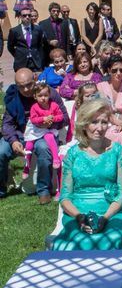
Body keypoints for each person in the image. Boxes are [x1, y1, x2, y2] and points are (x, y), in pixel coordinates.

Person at [52, 98, 122, 251]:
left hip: (111, 212)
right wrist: (79, 217)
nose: (100, 128)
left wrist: (106, 217)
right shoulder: (72, 155)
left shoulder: (117, 151)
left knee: (113, 239)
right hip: (77, 212)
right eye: (94, 122)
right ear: (84, 124)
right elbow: (65, 197)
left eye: (104, 122)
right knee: (78, 241)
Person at [0, 68, 69, 203]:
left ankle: (43, 189)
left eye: (28, 85)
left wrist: (50, 124)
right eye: (21, 86)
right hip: (21, 134)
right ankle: (1, 189)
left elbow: (65, 117)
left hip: (44, 134)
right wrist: (13, 141)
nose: (26, 89)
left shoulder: (47, 92)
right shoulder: (13, 97)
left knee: (44, 148)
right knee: (1, 151)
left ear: (35, 80)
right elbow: (6, 124)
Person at [97, 56, 122, 163]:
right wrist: (116, 123)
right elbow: (106, 110)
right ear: (109, 70)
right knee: (107, 134)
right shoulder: (100, 86)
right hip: (107, 121)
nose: (118, 73)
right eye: (114, 70)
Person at [21, 81, 65, 178]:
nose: (43, 98)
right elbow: (33, 119)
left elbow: (61, 116)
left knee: (49, 137)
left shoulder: (53, 105)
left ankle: (56, 158)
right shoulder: (34, 107)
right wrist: (43, 119)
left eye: (45, 95)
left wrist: (53, 118)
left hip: (49, 128)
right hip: (35, 128)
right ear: (35, 96)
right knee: (28, 145)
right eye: (40, 96)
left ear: (49, 95)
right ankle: (27, 166)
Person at [7, 8, 46, 73]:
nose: (27, 17)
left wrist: (39, 58)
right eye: (24, 15)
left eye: (29, 15)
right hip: (21, 62)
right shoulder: (14, 31)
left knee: (37, 81)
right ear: (20, 17)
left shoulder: (38, 29)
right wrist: (18, 55)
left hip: (35, 62)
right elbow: (10, 47)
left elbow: (40, 45)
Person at [39, 2, 69, 69]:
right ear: (50, 11)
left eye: (57, 11)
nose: (56, 13)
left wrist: (69, 53)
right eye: (54, 11)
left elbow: (67, 39)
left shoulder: (64, 22)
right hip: (49, 55)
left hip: (62, 53)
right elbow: (40, 40)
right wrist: (49, 42)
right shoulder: (43, 24)